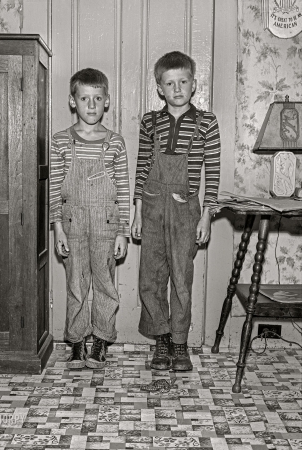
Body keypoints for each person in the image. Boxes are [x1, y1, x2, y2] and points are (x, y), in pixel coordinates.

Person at [131, 51, 221, 371]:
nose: (177, 88)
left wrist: (207, 214)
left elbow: (213, 173)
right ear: (160, 88)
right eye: (170, 83)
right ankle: (162, 340)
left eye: (183, 81)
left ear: (194, 84)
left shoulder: (206, 122)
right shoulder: (150, 122)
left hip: (186, 211)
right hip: (153, 206)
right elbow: (142, 168)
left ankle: (180, 343)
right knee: (151, 278)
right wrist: (138, 212)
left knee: (181, 278)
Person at [50, 68, 130, 369]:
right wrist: (57, 229)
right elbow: (55, 190)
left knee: (105, 283)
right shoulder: (61, 142)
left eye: (98, 98)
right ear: (74, 102)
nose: (92, 105)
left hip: (106, 225)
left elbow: (123, 188)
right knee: (76, 283)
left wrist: (122, 232)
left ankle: (100, 341)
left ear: (107, 101)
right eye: (85, 98)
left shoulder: (115, 143)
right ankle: (77, 343)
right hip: (72, 224)